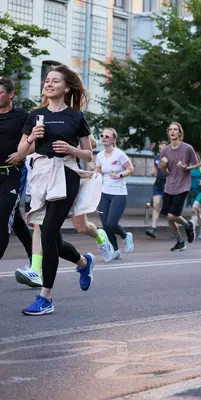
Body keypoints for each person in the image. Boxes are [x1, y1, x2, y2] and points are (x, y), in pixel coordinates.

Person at [17, 64, 96, 315]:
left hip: (66, 174)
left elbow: (89, 155)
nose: (48, 84)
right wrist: (32, 138)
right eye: (47, 81)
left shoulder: (76, 117)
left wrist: (72, 150)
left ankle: (46, 297)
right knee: (52, 236)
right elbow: (21, 153)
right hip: (40, 176)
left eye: (55, 81)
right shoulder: (35, 115)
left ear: (66, 87)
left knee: (49, 232)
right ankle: (83, 262)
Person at [0, 76, 33, 269]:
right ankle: (33, 252)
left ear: (10, 94)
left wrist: (22, 154)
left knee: (3, 217)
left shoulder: (22, 116)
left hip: (13, 173)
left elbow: (35, 141)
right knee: (15, 218)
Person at [95, 128, 134, 260]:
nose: (104, 137)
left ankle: (125, 236)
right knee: (105, 226)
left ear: (113, 139)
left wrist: (119, 175)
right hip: (104, 193)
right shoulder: (99, 155)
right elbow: (98, 172)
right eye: (102, 135)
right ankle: (116, 250)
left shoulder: (119, 154)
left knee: (111, 223)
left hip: (118, 193)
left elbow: (130, 169)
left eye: (107, 136)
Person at [159, 122, 199, 251]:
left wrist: (186, 167)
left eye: (175, 130)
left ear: (180, 133)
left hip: (183, 186)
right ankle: (180, 241)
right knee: (168, 217)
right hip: (169, 186)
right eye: (170, 130)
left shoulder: (187, 148)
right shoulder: (165, 150)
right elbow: (165, 173)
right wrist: (164, 166)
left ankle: (188, 225)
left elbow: (197, 164)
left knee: (172, 215)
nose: (172, 132)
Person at [145, 141, 168, 239]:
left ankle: (176, 228)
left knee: (171, 210)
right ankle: (153, 228)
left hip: (169, 184)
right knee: (156, 204)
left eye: (163, 149)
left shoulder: (171, 158)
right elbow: (154, 170)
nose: (161, 151)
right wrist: (153, 172)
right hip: (158, 183)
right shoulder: (157, 157)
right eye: (160, 149)